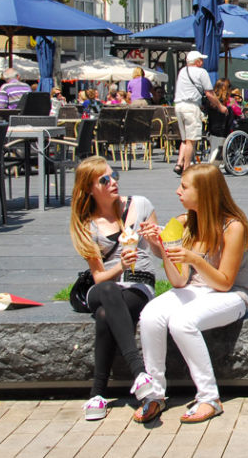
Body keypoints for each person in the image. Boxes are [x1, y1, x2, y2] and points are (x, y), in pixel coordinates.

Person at [133, 164, 248, 425]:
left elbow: (224, 283)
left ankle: (209, 398)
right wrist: (163, 246)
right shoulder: (182, 223)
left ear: (205, 192)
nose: (177, 191)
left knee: (182, 322)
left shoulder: (233, 227)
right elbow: (178, 281)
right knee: (151, 314)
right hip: (194, 290)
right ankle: (154, 394)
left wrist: (195, 260)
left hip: (232, 294)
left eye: (184, 187)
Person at [70, 156, 161, 421]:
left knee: (103, 316)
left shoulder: (140, 204)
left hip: (139, 285)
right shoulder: (88, 225)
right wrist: (120, 265)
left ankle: (96, 394)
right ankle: (139, 372)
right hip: (104, 286)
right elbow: (99, 277)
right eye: (104, 180)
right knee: (109, 291)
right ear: (90, 189)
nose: (113, 183)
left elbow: (157, 253)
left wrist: (154, 238)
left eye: (114, 175)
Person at [174, 50, 227, 176]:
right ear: (197, 62)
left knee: (185, 139)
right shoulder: (201, 72)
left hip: (178, 106)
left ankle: (179, 163)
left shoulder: (182, 71)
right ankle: (186, 170)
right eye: (201, 60)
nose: (203, 62)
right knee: (191, 140)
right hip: (191, 107)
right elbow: (209, 93)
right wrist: (220, 106)